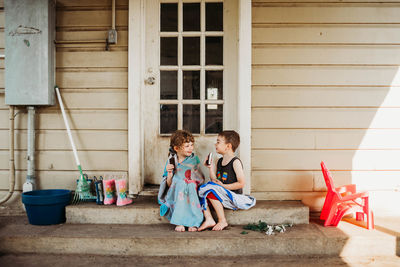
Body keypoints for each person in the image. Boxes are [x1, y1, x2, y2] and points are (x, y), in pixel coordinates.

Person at [198, 130, 256, 231]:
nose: (215, 144)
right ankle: (209, 219)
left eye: (218, 142)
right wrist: (211, 168)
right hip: (220, 194)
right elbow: (214, 180)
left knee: (211, 191)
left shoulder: (235, 162)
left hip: (232, 196)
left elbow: (241, 183)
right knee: (202, 192)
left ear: (228, 146)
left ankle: (222, 220)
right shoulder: (219, 161)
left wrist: (223, 187)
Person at [158, 130, 205, 232]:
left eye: (192, 145)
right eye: (187, 146)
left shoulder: (194, 159)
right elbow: (169, 184)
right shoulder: (171, 161)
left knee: (190, 185)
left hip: (192, 190)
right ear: (176, 148)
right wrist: (170, 174)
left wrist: (191, 181)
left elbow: (200, 178)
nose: (191, 148)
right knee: (180, 183)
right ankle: (180, 222)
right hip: (176, 190)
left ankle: (194, 222)